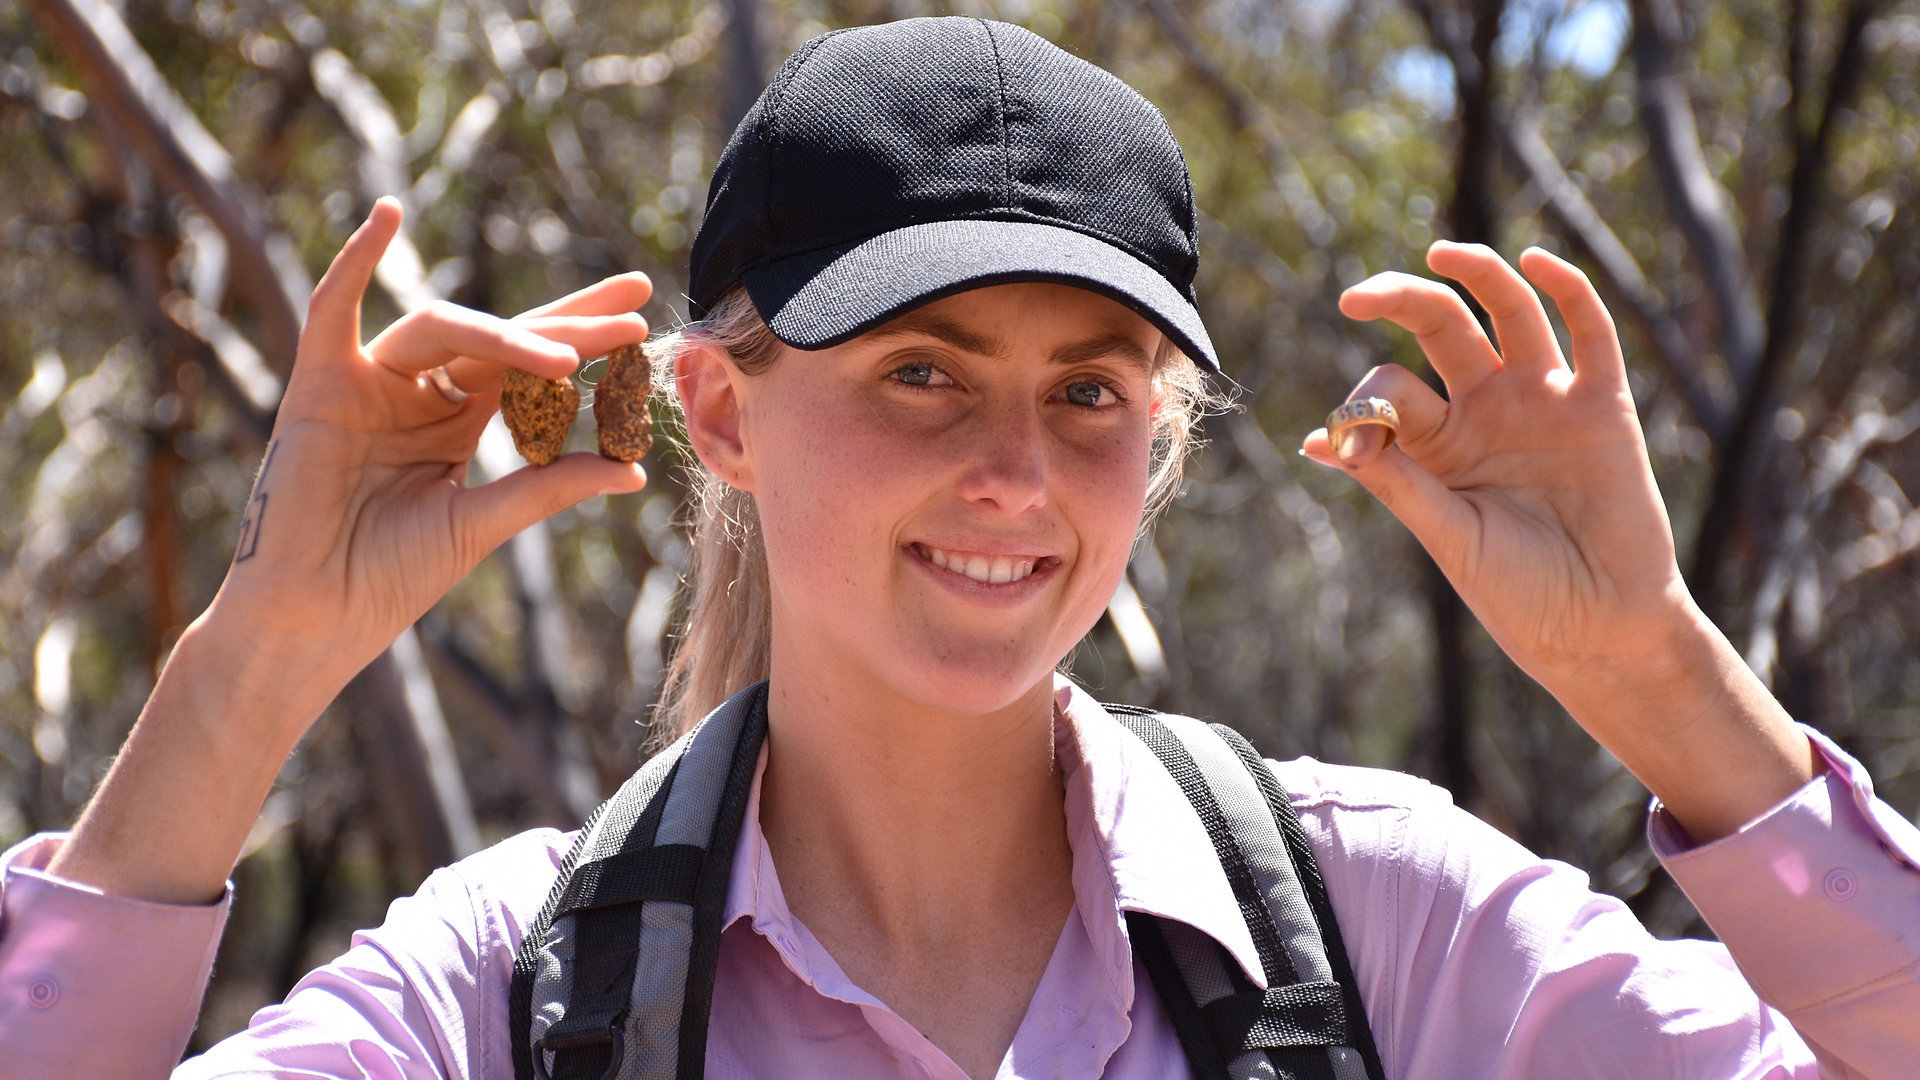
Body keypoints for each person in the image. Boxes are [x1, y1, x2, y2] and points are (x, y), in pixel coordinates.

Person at [3, 16, 1917, 1080]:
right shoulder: (514, 991)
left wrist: (1652, 669)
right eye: (922, 373)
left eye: (1092, 392)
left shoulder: (1381, 928)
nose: (1014, 470)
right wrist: (260, 650)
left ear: (1158, 447)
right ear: (727, 413)